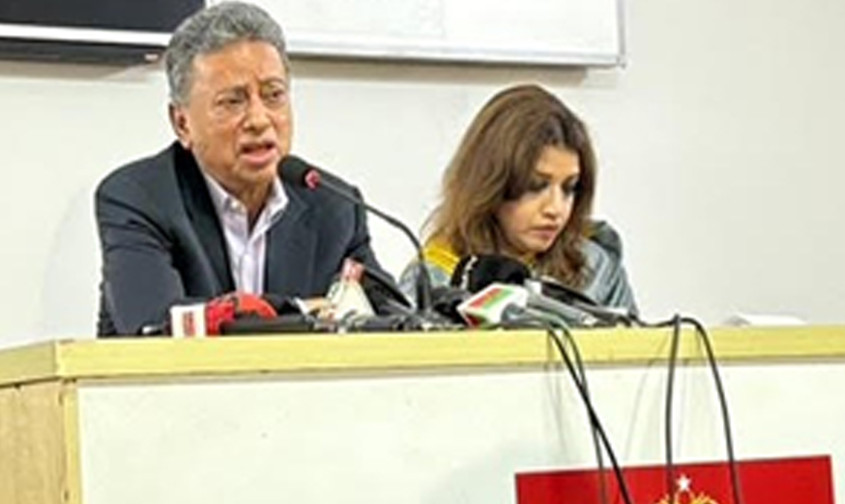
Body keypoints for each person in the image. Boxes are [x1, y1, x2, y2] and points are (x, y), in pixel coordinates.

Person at [95, 2, 388, 336]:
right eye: (233, 102)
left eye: (273, 95)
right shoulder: (139, 198)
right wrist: (301, 310)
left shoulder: (333, 205)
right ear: (182, 124)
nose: (259, 120)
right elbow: (155, 326)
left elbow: (389, 317)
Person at [401, 84, 637, 313]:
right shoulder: (431, 280)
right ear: (491, 184)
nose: (555, 209)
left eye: (569, 188)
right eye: (535, 186)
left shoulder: (596, 267)